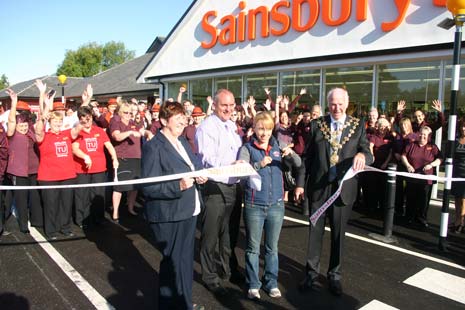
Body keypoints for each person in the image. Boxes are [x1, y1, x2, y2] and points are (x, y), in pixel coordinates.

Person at [298, 87, 373, 296]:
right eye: (333, 103)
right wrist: (300, 183)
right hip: (319, 189)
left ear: (347, 104)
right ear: (327, 104)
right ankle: (311, 274)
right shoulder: (317, 125)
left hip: (343, 190)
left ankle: (334, 276)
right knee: (315, 234)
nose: (336, 107)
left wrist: (362, 156)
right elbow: (307, 158)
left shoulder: (357, 126)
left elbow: (368, 151)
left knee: (338, 236)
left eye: (340, 103)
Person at [141, 101, 207, 310]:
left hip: (188, 210)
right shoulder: (154, 147)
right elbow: (149, 187)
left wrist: (200, 174)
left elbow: (194, 164)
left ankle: (185, 304)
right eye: (176, 116)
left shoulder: (183, 142)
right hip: (170, 214)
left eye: (183, 116)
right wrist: (176, 186)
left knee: (185, 263)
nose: (182, 119)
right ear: (162, 121)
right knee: (172, 265)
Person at [195, 89, 243, 295]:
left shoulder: (232, 126)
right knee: (211, 234)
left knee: (229, 234)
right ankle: (209, 275)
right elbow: (207, 158)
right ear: (214, 105)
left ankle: (227, 269)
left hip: (234, 185)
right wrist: (230, 165)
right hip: (215, 186)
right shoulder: (207, 127)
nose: (229, 109)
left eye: (232, 105)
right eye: (224, 105)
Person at [238, 111, 287, 300]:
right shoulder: (247, 148)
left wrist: (290, 154)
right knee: (252, 248)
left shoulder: (278, 146)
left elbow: (298, 163)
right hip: (254, 205)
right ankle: (253, 284)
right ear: (254, 128)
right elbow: (242, 172)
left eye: (267, 129)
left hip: (276, 205)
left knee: (272, 248)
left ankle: (271, 282)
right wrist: (259, 165)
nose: (264, 133)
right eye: (260, 128)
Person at [35, 87, 83, 240]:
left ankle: (65, 227)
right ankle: (51, 231)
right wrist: (42, 98)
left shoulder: (66, 134)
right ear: (50, 122)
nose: (57, 123)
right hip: (48, 177)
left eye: (59, 121)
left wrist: (85, 103)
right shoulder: (44, 136)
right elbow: (38, 130)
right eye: (54, 121)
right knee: (51, 205)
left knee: (66, 204)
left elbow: (79, 126)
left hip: (68, 175)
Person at [72, 106, 119, 228]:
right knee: (82, 195)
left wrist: (114, 158)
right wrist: (84, 156)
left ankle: (98, 217)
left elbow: (109, 146)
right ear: (79, 120)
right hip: (82, 170)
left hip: (99, 168)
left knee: (98, 194)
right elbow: (74, 149)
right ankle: (82, 219)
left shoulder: (98, 131)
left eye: (89, 119)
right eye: (83, 120)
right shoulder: (77, 132)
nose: (87, 123)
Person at [5, 88, 42, 234]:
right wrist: (14, 103)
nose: (24, 127)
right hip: (19, 171)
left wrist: (42, 97)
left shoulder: (31, 131)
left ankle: (37, 220)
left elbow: (41, 119)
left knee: (34, 196)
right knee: (21, 199)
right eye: (21, 126)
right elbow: (12, 120)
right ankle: (23, 225)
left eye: (25, 125)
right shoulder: (12, 134)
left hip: (34, 170)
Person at [109, 102, 145, 222]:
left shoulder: (133, 123)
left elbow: (143, 132)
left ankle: (130, 208)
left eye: (130, 112)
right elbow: (117, 137)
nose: (128, 115)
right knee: (118, 187)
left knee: (134, 187)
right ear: (120, 113)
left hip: (136, 157)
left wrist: (149, 133)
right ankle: (115, 212)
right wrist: (129, 133)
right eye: (126, 112)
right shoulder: (116, 123)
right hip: (122, 158)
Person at [401, 126, 442, 229]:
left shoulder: (432, 147)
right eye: (421, 134)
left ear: (428, 136)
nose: (422, 136)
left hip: (426, 179)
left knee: (423, 201)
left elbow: (440, 159)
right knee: (410, 199)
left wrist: (431, 165)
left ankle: (421, 219)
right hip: (412, 178)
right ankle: (409, 217)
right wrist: (408, 165)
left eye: (425, 134)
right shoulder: (411, 145)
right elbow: (403, 155)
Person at [451, 118, 465, 233]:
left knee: (464, 199)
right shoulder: (456, 140)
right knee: (457, 197)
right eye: (463, 126)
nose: (464, 128)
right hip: (456, 173)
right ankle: (456, 220)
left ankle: (462, 222)